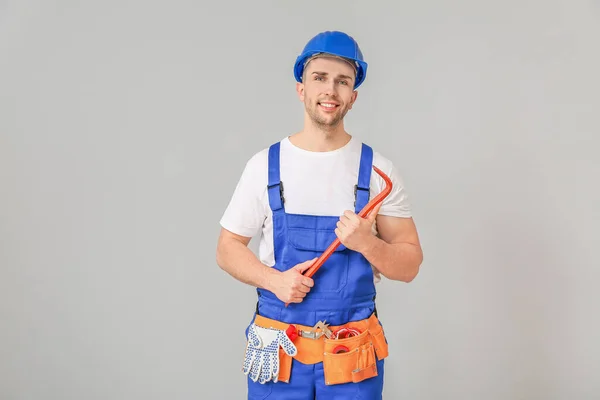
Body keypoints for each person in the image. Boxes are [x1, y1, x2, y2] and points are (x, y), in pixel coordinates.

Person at [216, 30, 423, 400]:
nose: (331, 90)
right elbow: (227, 248)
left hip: (351, 356)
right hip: (278, 351)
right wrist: (273, 280)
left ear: (353, 97)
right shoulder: (265, 166)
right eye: (320, 78)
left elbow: (408, 265)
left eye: (342, 81)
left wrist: (367, 243)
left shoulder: (378, 171)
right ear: (302, 89)